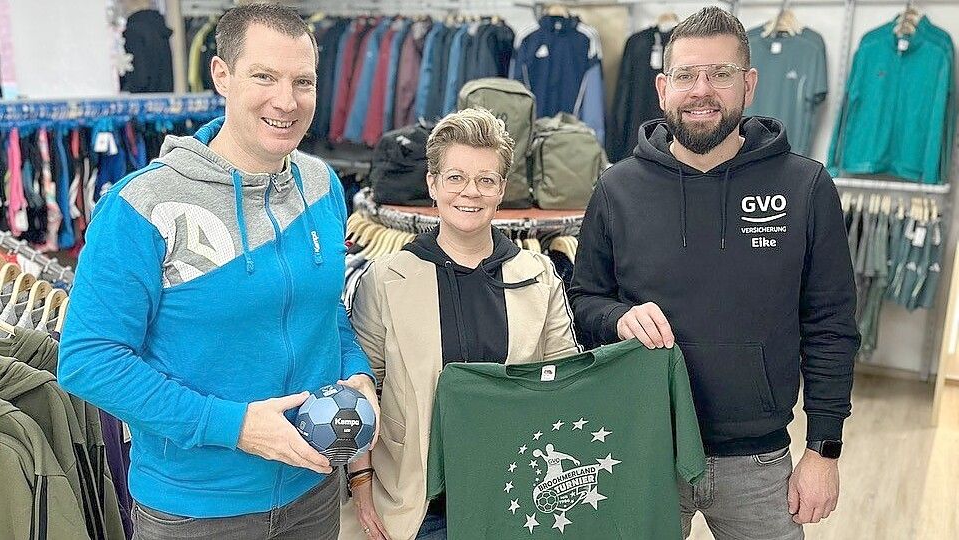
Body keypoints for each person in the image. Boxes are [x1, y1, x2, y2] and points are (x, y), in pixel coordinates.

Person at [58, 4, 378, 539]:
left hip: (314, 493)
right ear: (221, 76)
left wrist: (358, 371)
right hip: (195, 512)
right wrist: (237, 428)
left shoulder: (322, 185)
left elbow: (325, 311)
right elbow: (88, 360)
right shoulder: (144, 205)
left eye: (303, 81)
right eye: (264, 77)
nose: (287, 100)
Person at [568, 7, 860, 540]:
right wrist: (618, 318)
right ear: (662, 87)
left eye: (720, 74)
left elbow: (831, 326)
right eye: (686, 75)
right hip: (642, 451)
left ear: (748, 84)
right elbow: (582, 300)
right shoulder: (617, 189)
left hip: (760, 463)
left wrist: (824, 448)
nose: (701, 89)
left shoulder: (806, 187)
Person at [339, 107, 581, 540]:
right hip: (420, 508)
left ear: (501, 188)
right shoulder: (387, 277)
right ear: (432, 183)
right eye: (455, 177)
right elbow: (360, 389)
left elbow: (565, 386)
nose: (470, 192)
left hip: (518, 502)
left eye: (486, 180)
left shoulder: (539, 276)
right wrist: (360, 482)